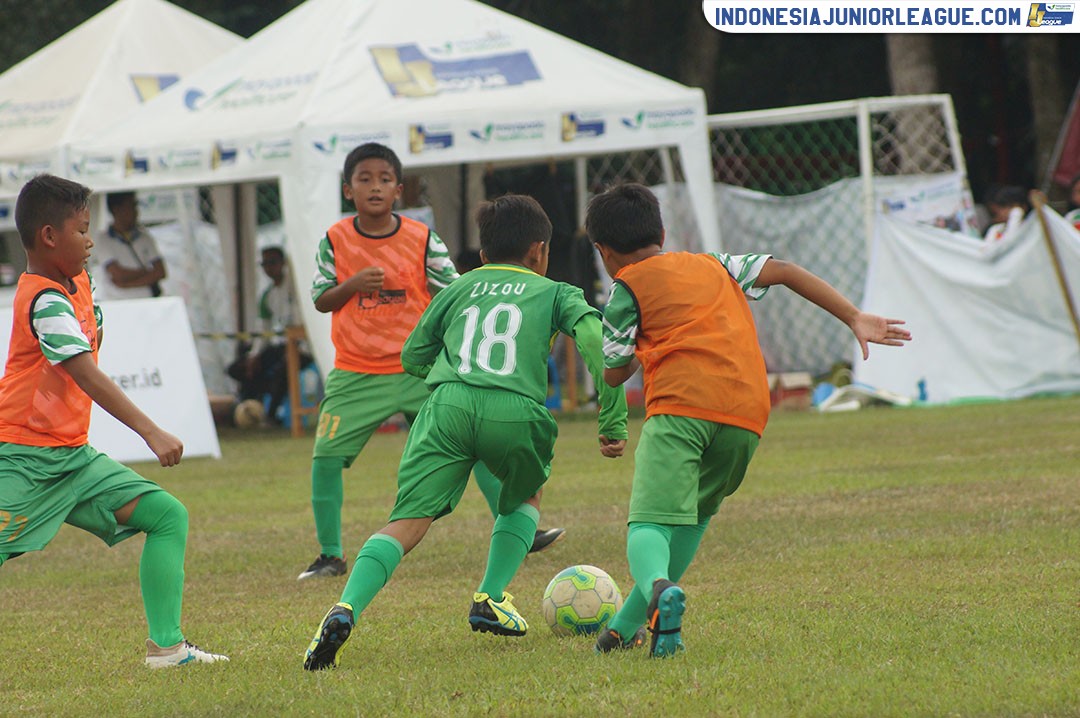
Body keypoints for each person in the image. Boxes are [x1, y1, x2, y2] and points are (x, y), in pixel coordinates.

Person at [303, 194, 628, 670]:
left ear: (481, 256)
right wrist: (612, 420)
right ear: (539, 251)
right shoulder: (557, 292)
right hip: (514, 409)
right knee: (525, 499)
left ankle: (345, 607)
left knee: (406, 522)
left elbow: (413, 354)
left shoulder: (459, 289)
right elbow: (598, 344)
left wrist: (453, 380)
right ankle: (491, 597)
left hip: (446, 406)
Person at [585, 183, 911, 658]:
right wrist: (853, 315)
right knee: (695, 515)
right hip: (746, 412)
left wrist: (640, 338)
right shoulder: (714, 264)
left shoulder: (625, 288)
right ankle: (624, 628)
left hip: (682, 406)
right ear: (662, 231)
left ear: (603, 253)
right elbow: (783, 270)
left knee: (649, 522)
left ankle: (657, 587)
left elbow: (614, 372)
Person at [298, 144, 558, 582]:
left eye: (384, 178)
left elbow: (456, 291)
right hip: (356, 371)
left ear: (399, 190)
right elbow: (321, 299)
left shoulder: (420, 238)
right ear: (348, 190)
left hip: (420, 370)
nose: (375, 186)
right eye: (364, 178)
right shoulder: (335, 239)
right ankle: (330, 555)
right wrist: (354, 284)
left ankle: (517, 528)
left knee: (472, 441)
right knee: (325, 457)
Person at [0, 175, 227, 668]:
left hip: (72, 459)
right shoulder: (43, 300)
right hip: (23, 460)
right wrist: (151, 430)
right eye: (82, 230)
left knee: (168, 516)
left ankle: (167, 649)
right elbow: (83, 372)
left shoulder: (77, 281)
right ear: (48, 237)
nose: (90, 241)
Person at [227, 246, 310, 424]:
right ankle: (251, 408)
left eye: (272, 262)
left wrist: (297, 347)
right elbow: (262, 329)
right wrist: (254, 356)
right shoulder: (268, 295)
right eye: (264, 264)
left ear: (283, 263)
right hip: (280, 346)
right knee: (241, 368)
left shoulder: (297, 287)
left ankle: (271, 416)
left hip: (303, 346)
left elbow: (305, 321)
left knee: (284, 369)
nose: (268, 268)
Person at [92, 191, 167, 300]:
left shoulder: (144, 236)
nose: (136, 212)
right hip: (119, 302)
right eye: (131, 207)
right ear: (116, 210)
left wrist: (126, 284)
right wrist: (148, 273)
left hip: (147, 300)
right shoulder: (103, 239)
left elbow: (160, 272)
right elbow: (117, 274)